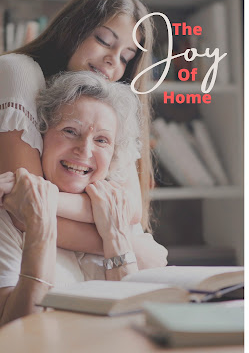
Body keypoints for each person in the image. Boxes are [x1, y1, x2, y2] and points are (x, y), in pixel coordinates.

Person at [0, 0, 166, 266]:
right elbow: (25, 212)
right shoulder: (19, 72)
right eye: (103, 40)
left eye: (126, 57)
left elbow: (132, 210)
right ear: (73, 29)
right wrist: (130, 246)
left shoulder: (111, 103)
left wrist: (47, 203)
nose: (113, 60)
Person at [0, 71, 160, 325]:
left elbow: (137, 324)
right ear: (42, 135)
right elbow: (12, 330)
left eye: (101, 140)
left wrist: (117, 238)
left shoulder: (116, 212)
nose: (84, 149)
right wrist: (40, 228)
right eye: (70, 131)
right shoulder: (9, 212)